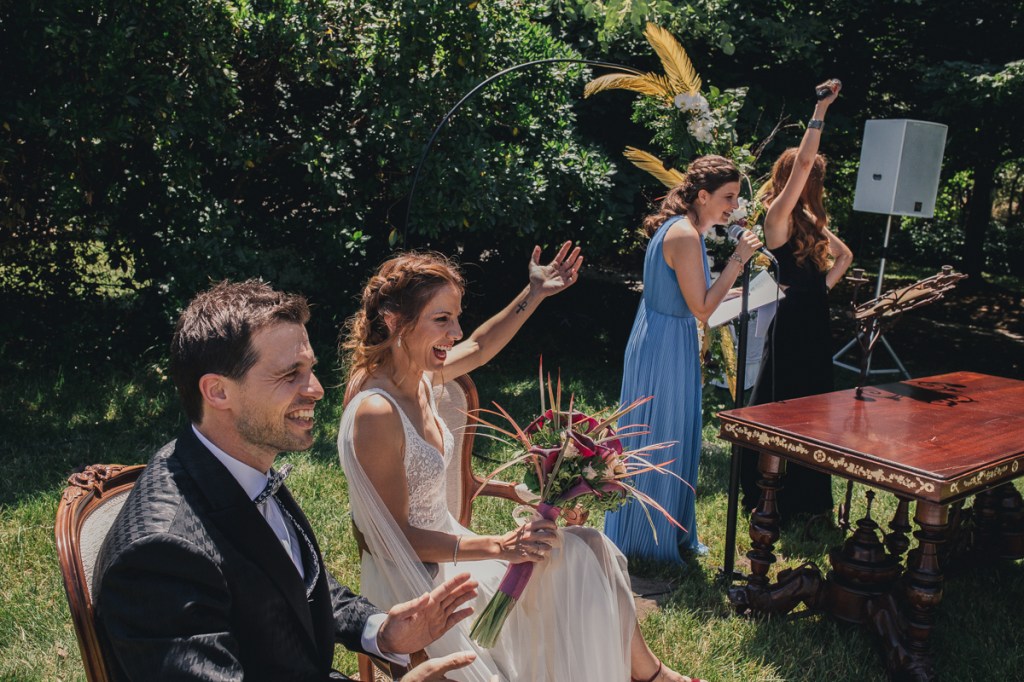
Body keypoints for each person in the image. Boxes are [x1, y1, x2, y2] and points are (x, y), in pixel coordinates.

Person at [338, 245, 703, 682]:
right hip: (410, 579)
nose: (456, 332)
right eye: (442, 319)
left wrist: (535, 292)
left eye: (457, 317)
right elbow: (393, 541)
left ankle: (652, 674)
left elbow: (480, 344)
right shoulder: (377, 411)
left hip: (454, 551)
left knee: (590, 547)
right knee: (566, 573)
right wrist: (500, 546)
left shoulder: (420, 374)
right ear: (395, 321)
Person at [93, 279, 480, 682]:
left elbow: (293, 583)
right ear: (218, 392)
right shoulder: (160, 556)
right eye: (290, 374)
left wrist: (379, 630)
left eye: (310, 369)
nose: (316, 390)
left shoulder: (233, 463)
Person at [603, 155, 762, 564]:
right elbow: (702, 309)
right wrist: (738, 260)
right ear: (703, 196)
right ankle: (646, 540)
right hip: (665, 344)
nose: (734, 206)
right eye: (728, 197)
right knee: (660, 436)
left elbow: (694, 295)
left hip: (666, 335)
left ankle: (668, 530)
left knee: (672, 432)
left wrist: (740, 292)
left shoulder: (685, 229)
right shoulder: (685, 235)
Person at [739, 80, 854, 523]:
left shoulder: (806, 220)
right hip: (792, 324)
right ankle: (770, 494)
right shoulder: (776, 217)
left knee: (816, 410)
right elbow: (806, 161)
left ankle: (809, 502)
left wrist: (819, 287)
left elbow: (844, 257)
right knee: (782, 406)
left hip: (814, 320)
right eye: (808, 176)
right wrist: (820, 110)